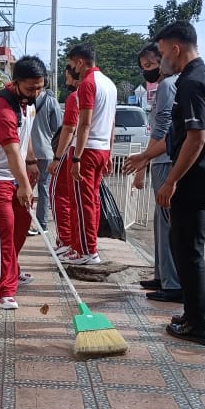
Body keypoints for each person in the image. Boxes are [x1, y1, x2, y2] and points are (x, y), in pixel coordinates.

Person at [150, 20, 205, 346]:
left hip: (195, 181)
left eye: (160, 53)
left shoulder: (191, 82)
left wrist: (170, 181)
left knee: (187, 251)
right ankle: (193, 314)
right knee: (184, 247)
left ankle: (199, 324)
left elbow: (195, 139)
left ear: (175, 48)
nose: (160, 60)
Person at [0, 56, 45, 310]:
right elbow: (11, 150)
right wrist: (24, 183)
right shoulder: (3, 108)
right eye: (30, 88)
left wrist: (32, 161)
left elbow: (25, 139)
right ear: (15, 83)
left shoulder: (28, 104)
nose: (36, 93)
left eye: (40, 87)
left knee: (22, 224)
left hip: (16, 173)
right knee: (4, 228)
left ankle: (12, 270)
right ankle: (3, 289)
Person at [126, 44, 182, 303]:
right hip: (159, 159)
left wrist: (144, 160)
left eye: (150, 65)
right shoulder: (163, 87)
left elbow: (164, 130)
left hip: (166, 160)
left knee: (168, 224)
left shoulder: (169, 86)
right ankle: (162, 276)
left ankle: (172, 284)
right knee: (160, 224)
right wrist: (146, 163)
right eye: (143, 67)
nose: (147, 71)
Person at [62, 44, 116, 265]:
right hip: (101, 148)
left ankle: (87, 250)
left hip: (87, 149)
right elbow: (112, 122)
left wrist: (76, 157)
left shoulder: (87, 84)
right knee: (90, 200)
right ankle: (80, 247)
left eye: (73, 64)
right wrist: (109, 152)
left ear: (80, 62)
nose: (72, 68)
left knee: (81, 202)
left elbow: (83, 124)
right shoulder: (109, 84)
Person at [47, 66, 81, 257]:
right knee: (78, 201)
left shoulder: (75, 97)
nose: (65, 78)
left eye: (67, 73)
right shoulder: (104, 91)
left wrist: (57, 158)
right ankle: (76, 244)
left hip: (72, 151)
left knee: (58, 195)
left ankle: (67, 241)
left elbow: (69, 128)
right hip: (92, 150)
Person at [30, 84, 63, 236]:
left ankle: (26, 221)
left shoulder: (24, 100)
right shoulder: (51, 102)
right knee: (43, 187)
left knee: (26, 187)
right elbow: (58, 128)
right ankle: (42, 224)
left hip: (27, 152)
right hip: (46, 150)